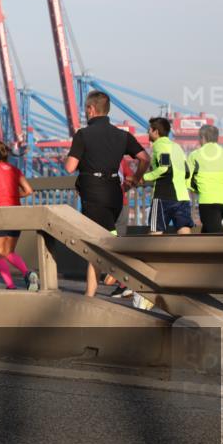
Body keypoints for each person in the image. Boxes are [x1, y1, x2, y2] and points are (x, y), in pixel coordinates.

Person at [64, 90, 149, 298]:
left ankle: (123, 274)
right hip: (115, 192)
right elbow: (144, 158)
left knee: (104, 240)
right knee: (97, 243)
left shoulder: (83, 134)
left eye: (86, 109)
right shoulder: (122, 135)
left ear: (91, 109)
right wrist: (136, 178)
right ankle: (90, 292)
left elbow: (69, 167)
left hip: (93, 192)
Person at [0, 141, 37, 290]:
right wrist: (12, 195)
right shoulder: (15, 170)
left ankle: (10, 285)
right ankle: (27, 273)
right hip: (16, 213)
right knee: (9, 252)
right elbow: (28, 190)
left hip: (0, 215)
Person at [140, 117, 194, 235]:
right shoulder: (177, 147)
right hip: (183, 197)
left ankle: (150, 254)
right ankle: (190, 253)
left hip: (163, 196)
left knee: (156, 231)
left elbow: (164, 168)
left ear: (156, 131)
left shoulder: (159, 145)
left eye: (148, 130)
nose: (147, 133)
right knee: (184, 230)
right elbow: (187, 172)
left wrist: (144, 177)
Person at [188, 125, 223, 233]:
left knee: (215, 231)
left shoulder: (194, 155)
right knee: (208, 229)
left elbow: (187, 177)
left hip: (207, 200)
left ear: (203, 137)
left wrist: (195, 189)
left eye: (199, 138)